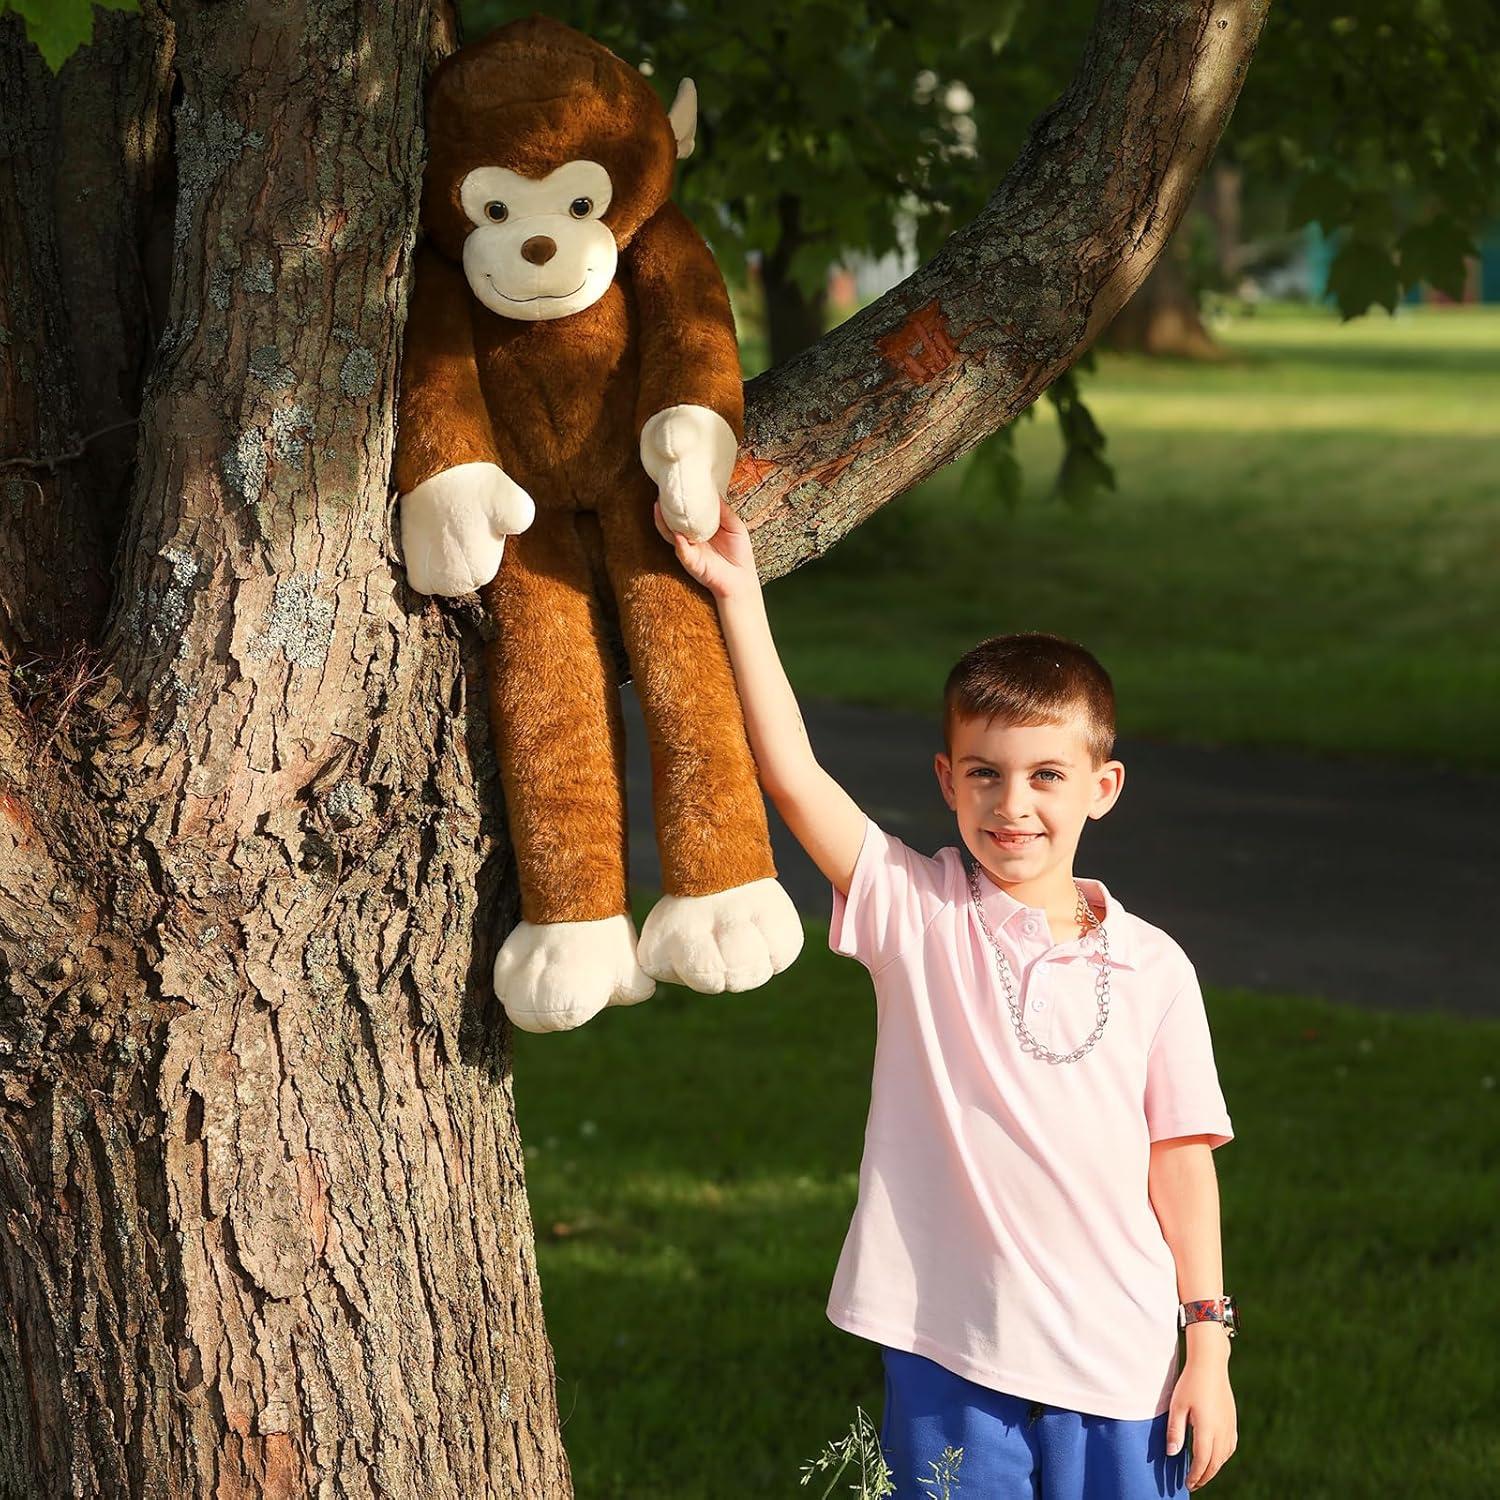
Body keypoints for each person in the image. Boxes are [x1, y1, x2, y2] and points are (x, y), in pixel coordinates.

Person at [658, 497, 1240, 1497]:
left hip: (1125, 1362)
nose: (1013, 806)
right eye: (986, 774)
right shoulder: (917, 914)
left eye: (1046, 776)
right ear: (947, 779)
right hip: (948, 1352)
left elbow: (1182, 1169)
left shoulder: (1157, 969)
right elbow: (791, 776)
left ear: (1102, 787)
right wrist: (739, 594)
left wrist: (1210, 1348)